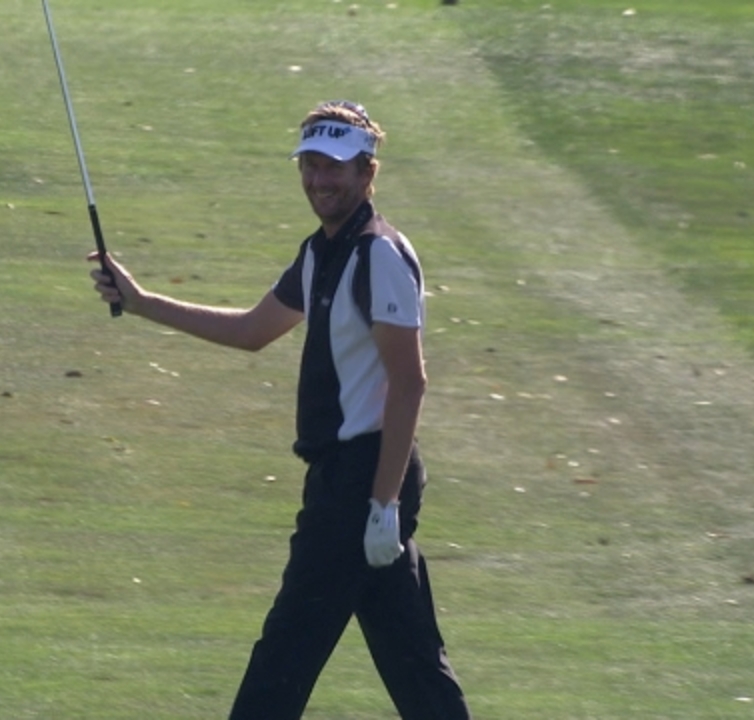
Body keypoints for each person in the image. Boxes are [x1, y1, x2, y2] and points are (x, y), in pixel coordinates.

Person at [89, 100, 470, 720]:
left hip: (363, 482)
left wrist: (382, 505)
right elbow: (252, 330)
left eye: (335, 167)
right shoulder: (321, 252)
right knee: (415, 665)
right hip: (346, 479)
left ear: (368, 173)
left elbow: (409, 384)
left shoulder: (378, 255)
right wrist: (140, 301)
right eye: (310, 165)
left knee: (283, 659)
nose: (320, 180)